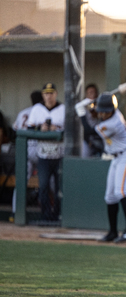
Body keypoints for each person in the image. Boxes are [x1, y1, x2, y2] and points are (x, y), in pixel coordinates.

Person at [75, 93, 126, 243]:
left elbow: (90, 131)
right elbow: (99, 112)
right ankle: (112, 232)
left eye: (106, 111)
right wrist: (91, 106)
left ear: (112, 109)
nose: (103, 114)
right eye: (101, 110)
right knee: (110, 196)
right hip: (117, 157)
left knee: (121, 191)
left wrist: (81, 111)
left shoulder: (114, 122)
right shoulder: (110, 113)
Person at [27, 83, 65, 222]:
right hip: (43, 154)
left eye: (51, 93)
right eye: (46, 93)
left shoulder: (62, 108)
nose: (49, 96)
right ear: (43, 95)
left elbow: (71, 131)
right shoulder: (37, 109)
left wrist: (57, 128)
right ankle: (46, 216)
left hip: (59, 155)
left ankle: (57, 215)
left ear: (56, 94)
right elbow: (29, 129)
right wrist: (40, 128)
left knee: (59, 188)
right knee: (43, 186)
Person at [10, 90, 43, 220]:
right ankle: (51, 212)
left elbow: (14, 130)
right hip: (39, 149)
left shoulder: (23, 112)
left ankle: (15, 212)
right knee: (50, 181)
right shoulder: (42, 111)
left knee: (21, 183)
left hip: (25, 150)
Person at [81, 83, 104, 158]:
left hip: (100, 136)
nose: (91, 95)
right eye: (89, 93)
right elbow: (84, 127)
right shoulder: (83, 107)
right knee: (85, 155)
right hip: (87, 137)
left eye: (93, 92)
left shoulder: (100, 107)